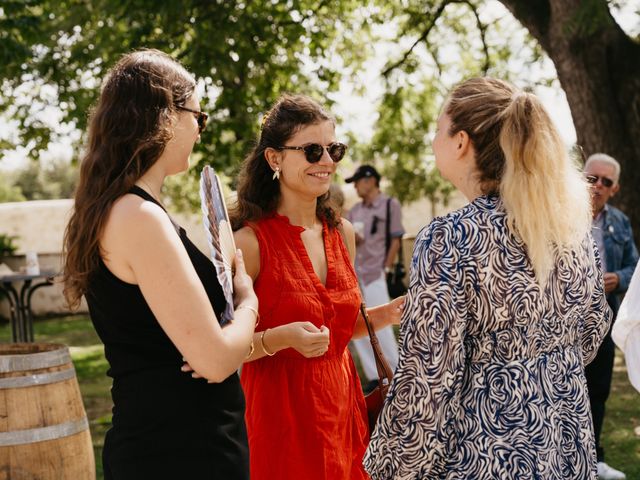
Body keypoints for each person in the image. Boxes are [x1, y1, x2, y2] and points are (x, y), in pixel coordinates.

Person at [364, 77, 612, 479]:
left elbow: (428, 377)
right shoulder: (569, 229)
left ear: (460, 142)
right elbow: (591, 330)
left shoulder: (450, 238)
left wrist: (390, 469)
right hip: (564, 442)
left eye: (437, 129)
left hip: (483, 449)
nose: (433, 141)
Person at [62, 49, 257, 479]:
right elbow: (215, 360)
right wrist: (248, 302)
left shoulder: (127, 210)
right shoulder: (139, 218)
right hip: (178, 453)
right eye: (198, 117)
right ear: (166, 115)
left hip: (177, 444)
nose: (200, 132)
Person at [229, 94, 404, 480]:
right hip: (281, 419)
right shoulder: (250, 243)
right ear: (274, 159)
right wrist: (280, 338)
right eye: (312, 150)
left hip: (343, 408)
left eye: (333, 149)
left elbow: (334, 331)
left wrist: (387, 315)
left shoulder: (342, 234)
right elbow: (222, 348)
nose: (327, 162)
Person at [583, 153, 639, 479]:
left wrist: (619, 278)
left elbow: (636, 266)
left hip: (605, 317)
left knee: (598, 389)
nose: (598, 186)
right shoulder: (560, 215)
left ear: (614, 188)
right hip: (564, 322)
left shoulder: (620, 222)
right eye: (592, 178)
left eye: (606, 182)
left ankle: (594, 458)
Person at [346, 165, 403, 390]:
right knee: (358, 327)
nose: (356, 187)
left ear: (370, 180)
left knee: (383, 326)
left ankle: (396, 374)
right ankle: (374, 378)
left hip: (376, 273)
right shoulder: (355, 211)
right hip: (356, 275)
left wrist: (386, 269)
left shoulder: (390, 205)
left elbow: (396, 239)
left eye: (358, 181)